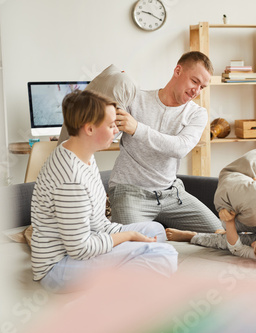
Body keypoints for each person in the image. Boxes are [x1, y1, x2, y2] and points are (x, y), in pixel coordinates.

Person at [30, 90, 178, 292]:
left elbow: (98, 222)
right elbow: (80, 249)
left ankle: (126, 279)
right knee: (165, 254)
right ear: (89, 129)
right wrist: (128, 237)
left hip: (84, 243)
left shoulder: (82, 152)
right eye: (110, 126)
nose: (117, 130)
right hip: (59, 267)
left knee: (156, 231)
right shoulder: (71, 178)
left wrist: (129, 236)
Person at [108, 51, 223, 233]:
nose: (197, 91)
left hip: (171, 195)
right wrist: (115, 84)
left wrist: (137, 128)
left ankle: (183, 236)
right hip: (130, 192)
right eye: (194, 81)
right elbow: (103, 119)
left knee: (221, 234)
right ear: (178, 71)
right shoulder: (136, 99)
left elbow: (180, 148)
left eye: (202, 87)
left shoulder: (197, 114)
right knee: (131, 247)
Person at [166, 177, 256, 268]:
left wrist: (230, 223)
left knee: (226, 242)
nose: (252, 245)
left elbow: (237, 249)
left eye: (254, 248)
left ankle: (192, 236)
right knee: (255, 213)